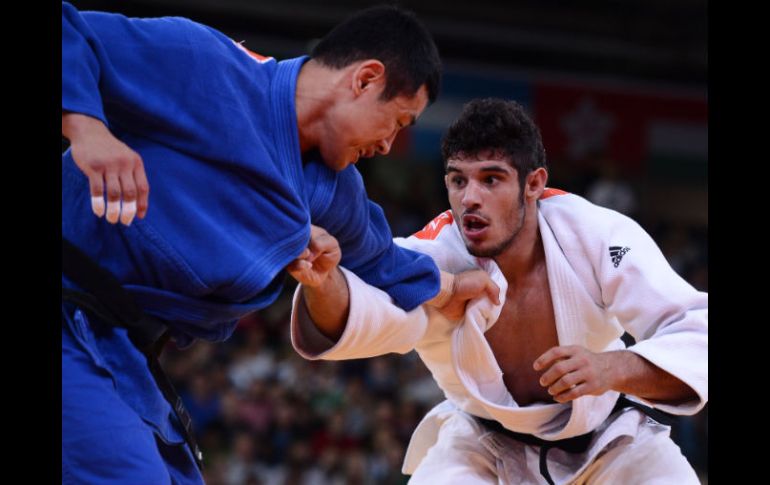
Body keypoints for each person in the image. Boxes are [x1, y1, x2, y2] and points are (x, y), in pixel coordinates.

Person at [62, 3, 486, 483]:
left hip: (126, 356)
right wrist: (87, 129)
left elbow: (383, 262)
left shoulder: (333, 189)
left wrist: (452, 288)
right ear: (365, 79)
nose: (389, 145)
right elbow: (70, 31)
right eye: (398, 121)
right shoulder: (208, 64)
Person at [288, 98, 708, 484]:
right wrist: (322, 282)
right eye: (458, 181)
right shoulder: (433, 257)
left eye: (491, 179)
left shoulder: (597, 234)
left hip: (612, 443)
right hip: (480, 449)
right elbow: (363, 313)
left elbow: (694, 330)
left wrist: (610, 369)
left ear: (533, 183)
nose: (470, 198)